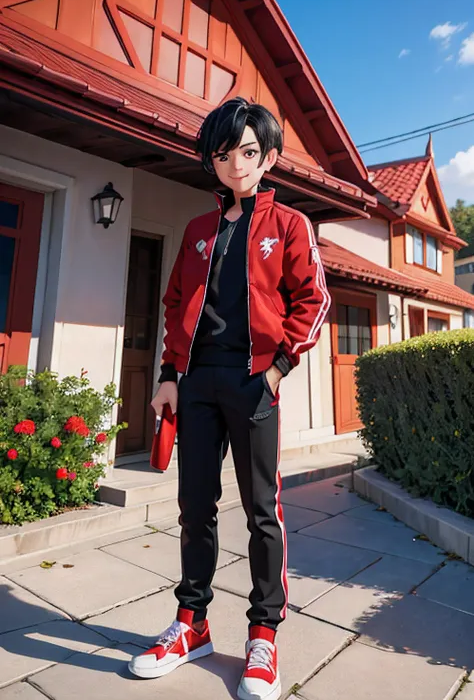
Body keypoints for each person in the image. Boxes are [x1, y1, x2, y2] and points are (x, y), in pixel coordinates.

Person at [128, 97, 331, 700]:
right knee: (196, 506)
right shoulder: (195, 231)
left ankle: (263, 633)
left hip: (253, 381)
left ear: (267, 157)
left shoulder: (290, 224)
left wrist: (278, 369)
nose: (234, 164)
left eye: (246, 151)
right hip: (196, 383)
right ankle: (192, 625)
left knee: (261, 510)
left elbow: (312, 301)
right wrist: (169, 373)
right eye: (222, 154)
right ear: (211, 162)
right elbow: (173, 304)